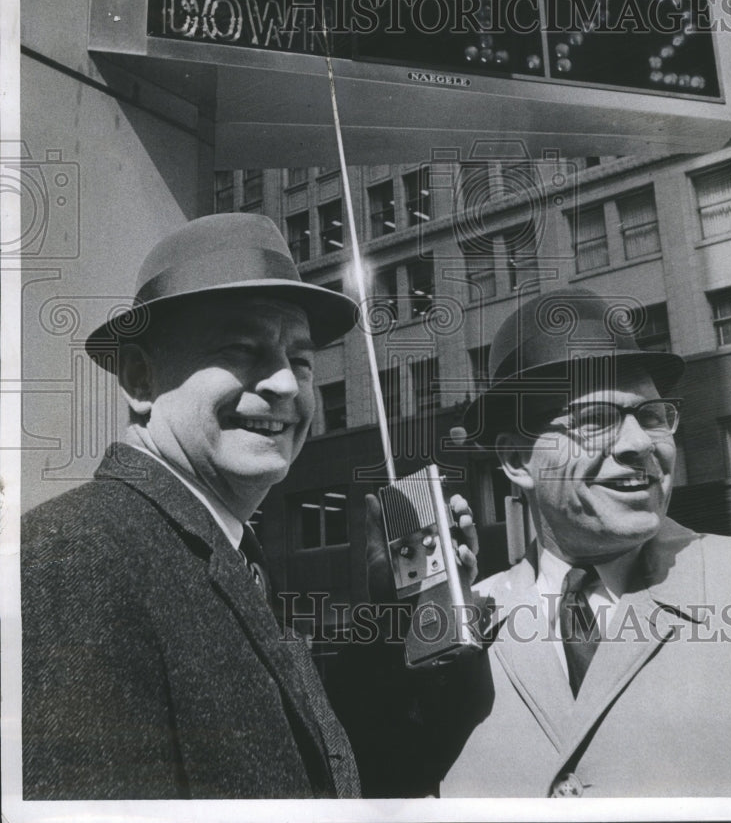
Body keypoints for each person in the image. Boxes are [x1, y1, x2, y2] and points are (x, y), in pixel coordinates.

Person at [21, 212, 476, 800]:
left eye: (302, 359)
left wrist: (397, 620)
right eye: (241, 348)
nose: (286, 384)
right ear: (139, 378)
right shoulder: (75, 561)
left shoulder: (235, 559)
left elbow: (339, 783)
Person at [431, 287, 731, 798]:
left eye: (653, 415)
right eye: (595, 421)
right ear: (515, 461)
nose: (640, 444)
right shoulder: (463, 623)